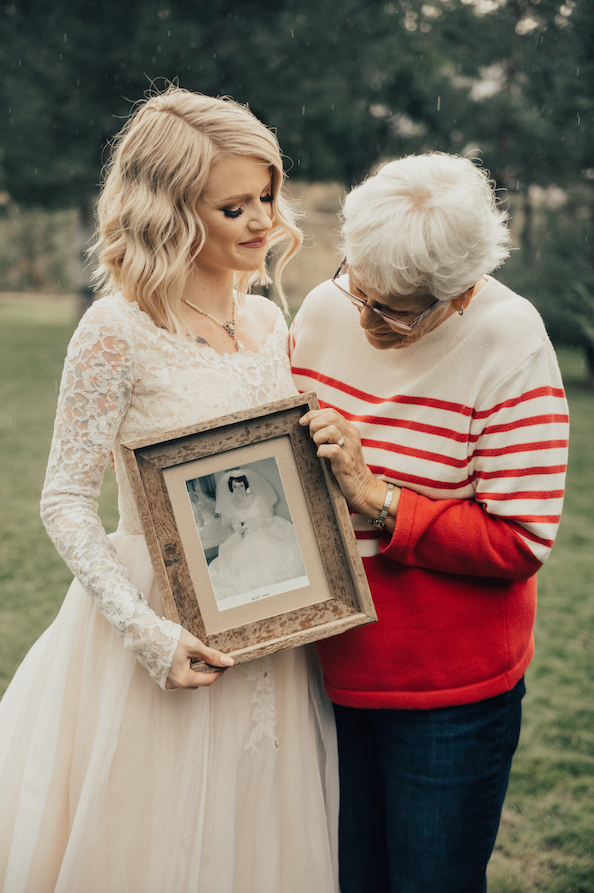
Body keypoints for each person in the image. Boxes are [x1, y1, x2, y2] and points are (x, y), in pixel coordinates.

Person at [0, 87, 338, 893]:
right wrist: (146, 630)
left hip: (273, 629)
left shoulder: (265, 324)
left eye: (267, 197)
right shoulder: (115, 332)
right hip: (153, 623)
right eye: (234, 207)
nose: (262, 221)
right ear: (173, 213)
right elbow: (65, 500)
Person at [290, 152, 569, 893]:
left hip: (445, 695)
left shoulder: (511, 340)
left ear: (460, 289)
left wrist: (379, 498)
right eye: (360, 288)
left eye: (397, 309)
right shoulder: (325, 307)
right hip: (318, 666)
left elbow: (521, 538)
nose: (366, 319)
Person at [207, 468, 307, 602]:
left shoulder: (257, 497)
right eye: (235, 487)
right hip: (247, 531)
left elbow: (268, 518)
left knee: (260, 542)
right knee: (237, 553)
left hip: (265, 527)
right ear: (231, 489)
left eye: (241, 486)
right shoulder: (233, 504)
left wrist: (251, 527)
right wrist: (240, 531)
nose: (238, 490)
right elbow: (236, 523)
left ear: (245, 486)